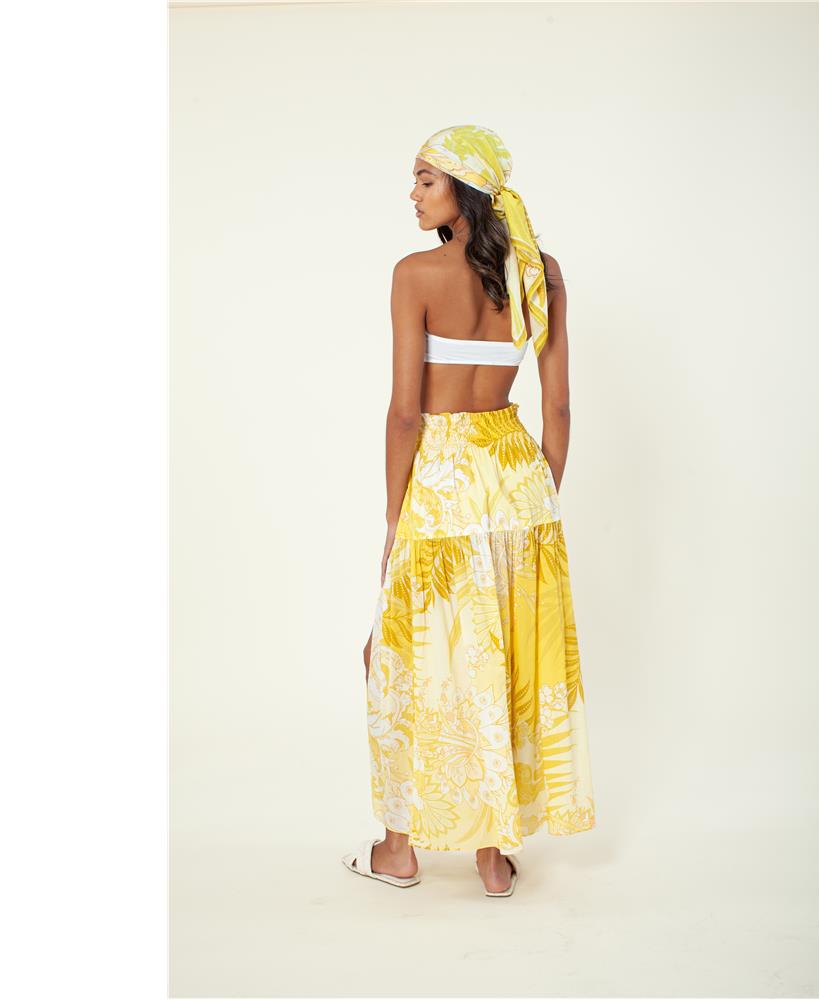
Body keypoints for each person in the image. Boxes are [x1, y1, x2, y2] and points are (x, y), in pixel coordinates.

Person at [342, 124, 595, 897]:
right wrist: (536, 499)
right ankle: (492, 856)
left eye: (426, 179)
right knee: (503, 656)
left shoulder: (415, 274)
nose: (413, 194)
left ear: (465, 188)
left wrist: (395, 520)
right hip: (519, 477)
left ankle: (399, 850)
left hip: (445, 478)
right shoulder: (541, 270)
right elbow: (557, 408)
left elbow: (405, 414)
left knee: (410, 655)